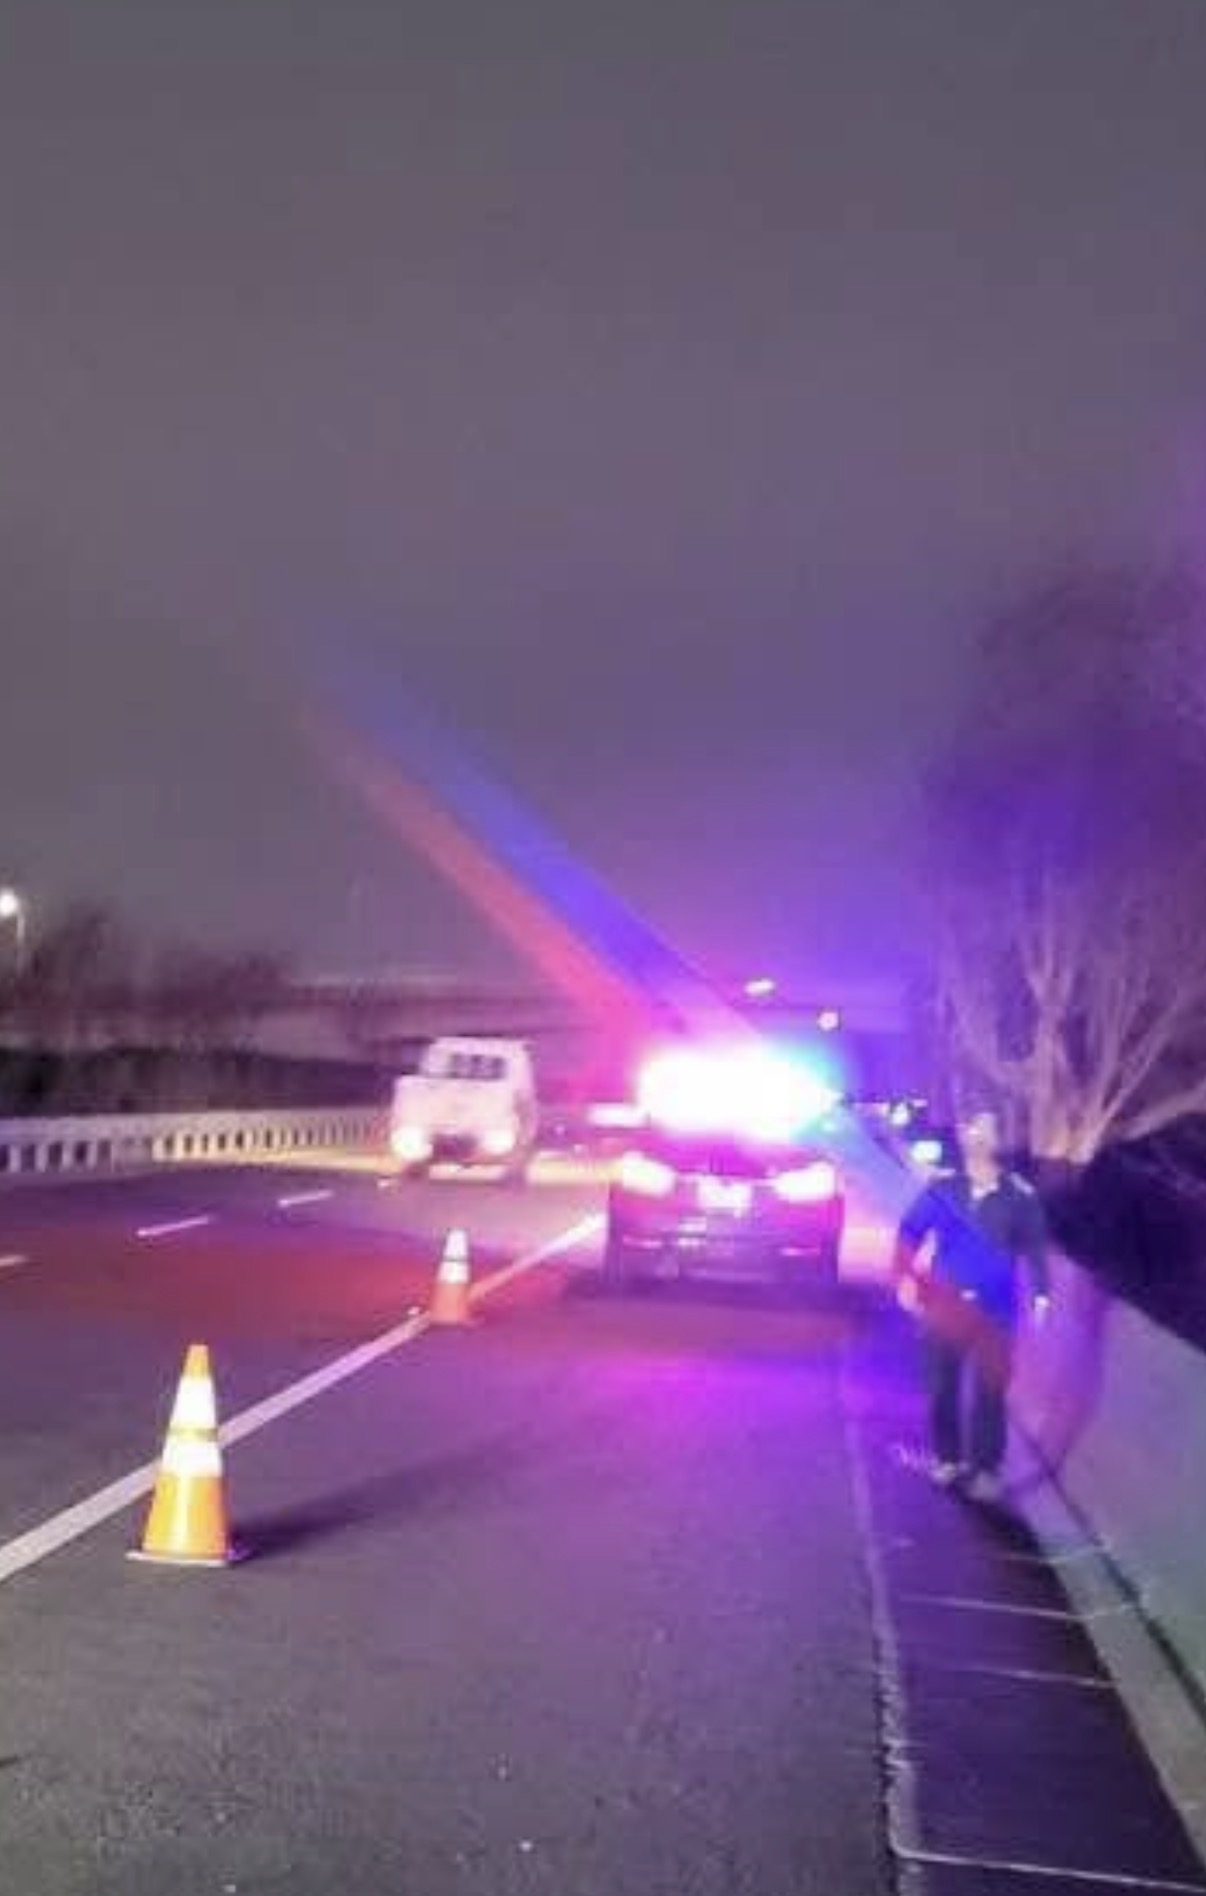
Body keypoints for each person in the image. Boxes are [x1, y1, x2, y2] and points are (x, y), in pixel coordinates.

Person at [893, 1110, 1050, 1504]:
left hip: (996, 1312)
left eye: (985, 1130)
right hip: (944, 1308)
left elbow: (1035, 1246)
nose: (976, 1137)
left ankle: (986, 1470)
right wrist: (905, 1278)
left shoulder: (1019, 1196)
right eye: (970, 1129)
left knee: (990, 1392)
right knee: (940, 1389)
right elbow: (909, 1230)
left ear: (998, 1139)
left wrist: (1041, 1294)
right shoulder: (944, 1190)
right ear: (962, 1138)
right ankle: (948, 1459)